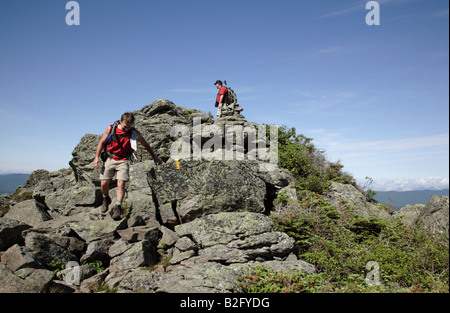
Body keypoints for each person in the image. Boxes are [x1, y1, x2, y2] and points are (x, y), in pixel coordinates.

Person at [94, 112, 164, 220]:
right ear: (121, 121)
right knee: (104, 183)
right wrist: (96, 157)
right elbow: (101, 143)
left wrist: (154, 157)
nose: (127, 129)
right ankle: (106, 198)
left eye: (129, 127)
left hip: (123, 160)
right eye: (125, 127)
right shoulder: (111, 129)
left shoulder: (134, 132)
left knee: (121, 183)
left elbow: (145, 144)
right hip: (110, 158)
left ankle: (118, 206)